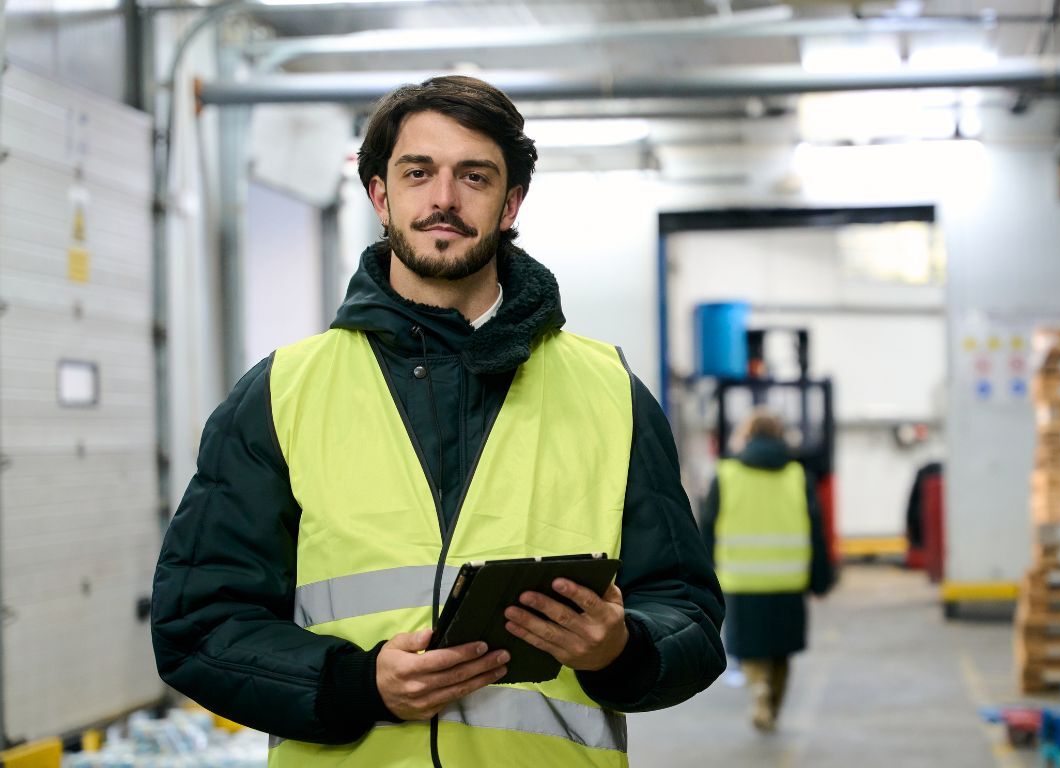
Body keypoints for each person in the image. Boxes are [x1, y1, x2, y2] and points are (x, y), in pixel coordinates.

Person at [150, 75, 725, 767]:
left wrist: (621, 648)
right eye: (418, 172)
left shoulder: (609, 393)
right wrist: (357, 684)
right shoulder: (281, 394)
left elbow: (688, 616)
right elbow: (198, 624)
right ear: (379, 195)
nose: (444, 199)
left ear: (510, 203)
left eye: (474, 176)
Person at [700, 410, 834, 732]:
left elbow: (707, 527)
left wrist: (702, 575)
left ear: (747, 436)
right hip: (788, 580)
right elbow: (816, 529)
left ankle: (757, 688)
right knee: (782, 650)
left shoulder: (727, 473)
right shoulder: (798, 476)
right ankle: (773, 704)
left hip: (742, 580)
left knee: (750, 647)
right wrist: (821, 579)